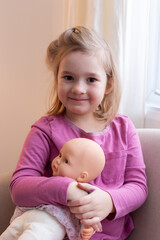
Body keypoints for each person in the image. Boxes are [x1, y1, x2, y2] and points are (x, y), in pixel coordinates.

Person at [3, 26, 147, 240]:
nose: (79, 88)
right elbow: (19, 187)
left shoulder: (124, 129)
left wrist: (109, 201)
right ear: (57, 79)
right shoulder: (44, 130)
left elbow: (138, 186)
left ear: (108, 84)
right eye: (69, 77)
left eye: (91, 80)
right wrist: (67, 189)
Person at [0, 138, 105, 240]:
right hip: (24, 218)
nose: (58, 161)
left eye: (66, 161)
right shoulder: (47, 180)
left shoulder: (85, 191)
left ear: (82, 176)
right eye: (60, 155)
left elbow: (90, 213)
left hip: (50, 224)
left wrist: (88, 228)